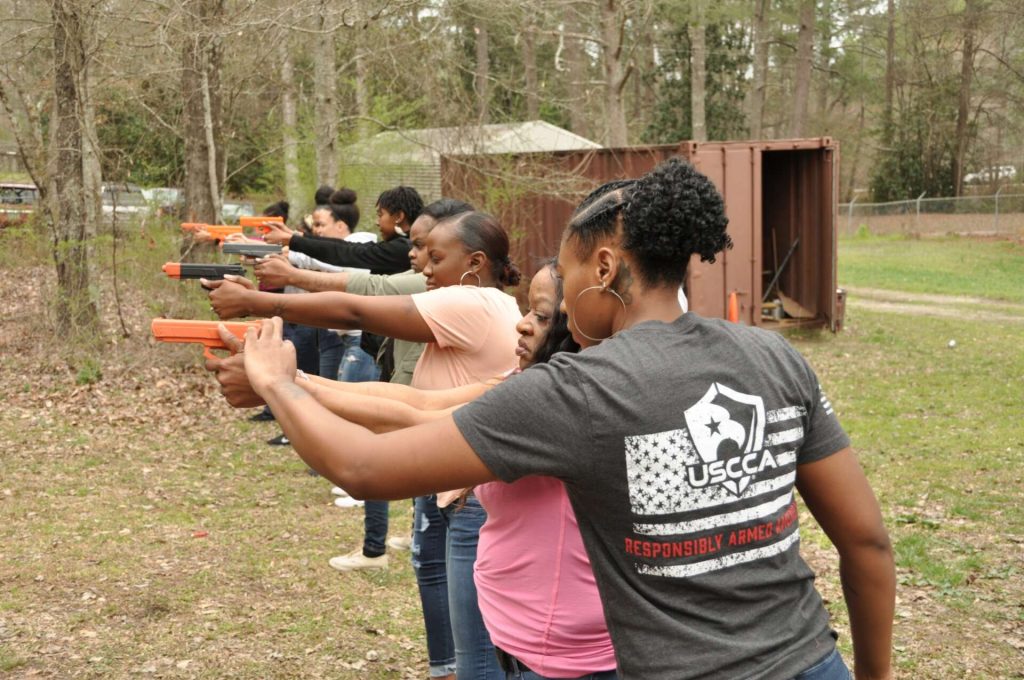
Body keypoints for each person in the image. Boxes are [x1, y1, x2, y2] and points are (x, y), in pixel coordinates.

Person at [223, 157, 895, 680]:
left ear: (604, 267)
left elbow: (362, 468)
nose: (562, 300)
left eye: (567, 276)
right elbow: (866, 542)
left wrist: (278, 383)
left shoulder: (581, 391)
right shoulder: (773, 356)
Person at [205, 210, 522, 680]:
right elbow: (412, 404)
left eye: (436, 257)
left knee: (479, 662)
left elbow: (358, 308)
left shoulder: (471, 301)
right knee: (464, 640)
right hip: (459, 485)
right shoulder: (487, 304)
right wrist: (288, 381)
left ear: (475, 262)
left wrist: (258, 306)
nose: (424, 268)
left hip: (470, 491)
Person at [285, 263, 620, 679]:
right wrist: (297, 381)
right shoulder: (528, 383)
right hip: (529, 641)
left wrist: (285, 387)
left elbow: (394, 437)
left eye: (542, 314)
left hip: (558, 658)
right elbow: (419, 404)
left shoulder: (555, 402)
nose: (522, 324)